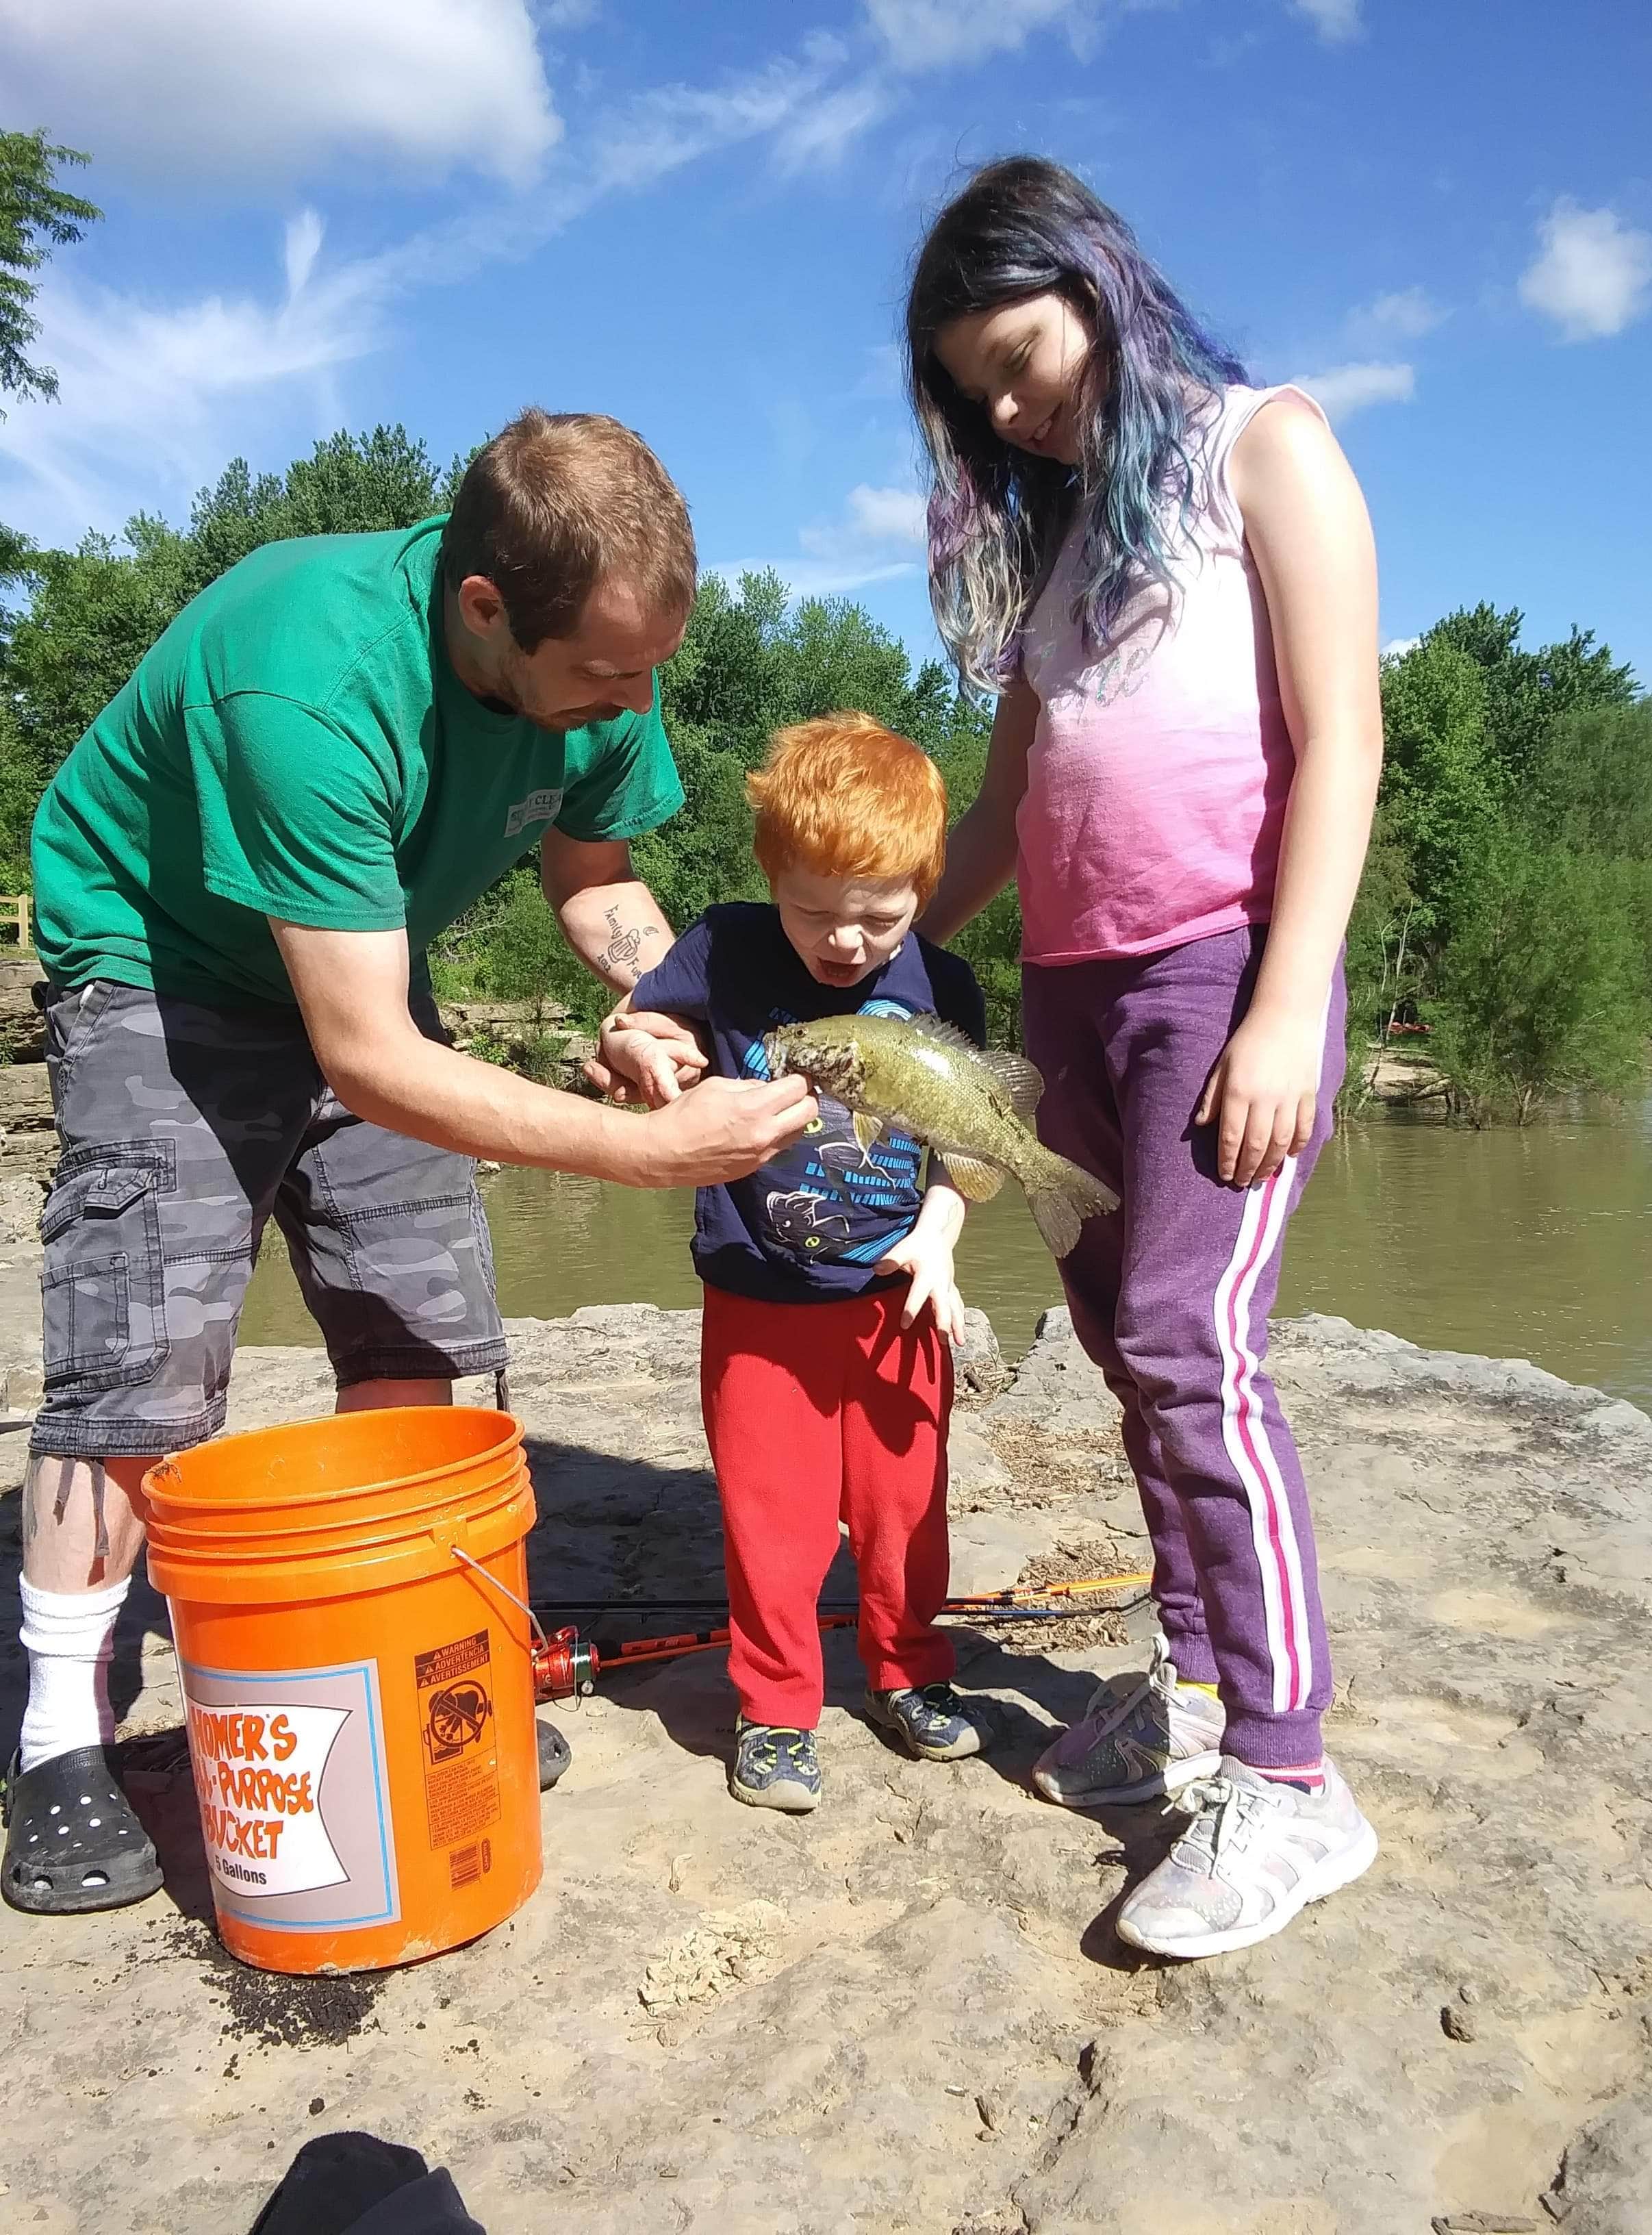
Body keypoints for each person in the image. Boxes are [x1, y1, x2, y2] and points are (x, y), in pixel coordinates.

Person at [2, 408, 815, 1917]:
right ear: (482, 606)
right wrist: (652, 1156)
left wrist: (652, 1005)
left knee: (417, 1317)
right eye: (603, 677)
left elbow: (594, 874)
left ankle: (405, 1647)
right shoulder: (305, 670)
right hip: (159, 963)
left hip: (359, 961)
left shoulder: (603, 662)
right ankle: (58, 1738)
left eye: (649, 670)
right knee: (145, 1367)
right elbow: (369, 1056)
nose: (633, 705)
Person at [904, 158, 1384, 1959]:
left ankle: (1292, 1780)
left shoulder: (1267, 443)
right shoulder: (1053, 544)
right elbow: (1013, 811)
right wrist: (867, 947)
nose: (1012, 406)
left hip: (1218, 979)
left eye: (1023, 358)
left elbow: (1344, 738)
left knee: (1196, 1349)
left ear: (1101, 289)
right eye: (976, 392)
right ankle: (1187, 1689)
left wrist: (1281, 1001)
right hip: (1073, 995)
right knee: (1125, 1350)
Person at [603, 714, 991, 1813]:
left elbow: (967, 1142)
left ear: (922, 886)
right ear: (772, 871)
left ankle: (910, 1673)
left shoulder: (945, 987)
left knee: (907, 1510)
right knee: (771, 1519)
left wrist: (943, 1233)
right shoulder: (721, 949)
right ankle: (776, 1707)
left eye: (879, 916)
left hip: (898, 1301)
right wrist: (637, 1045)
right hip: (758, 1304)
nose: (847, 941)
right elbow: (637, 1029)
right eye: (815, 909)